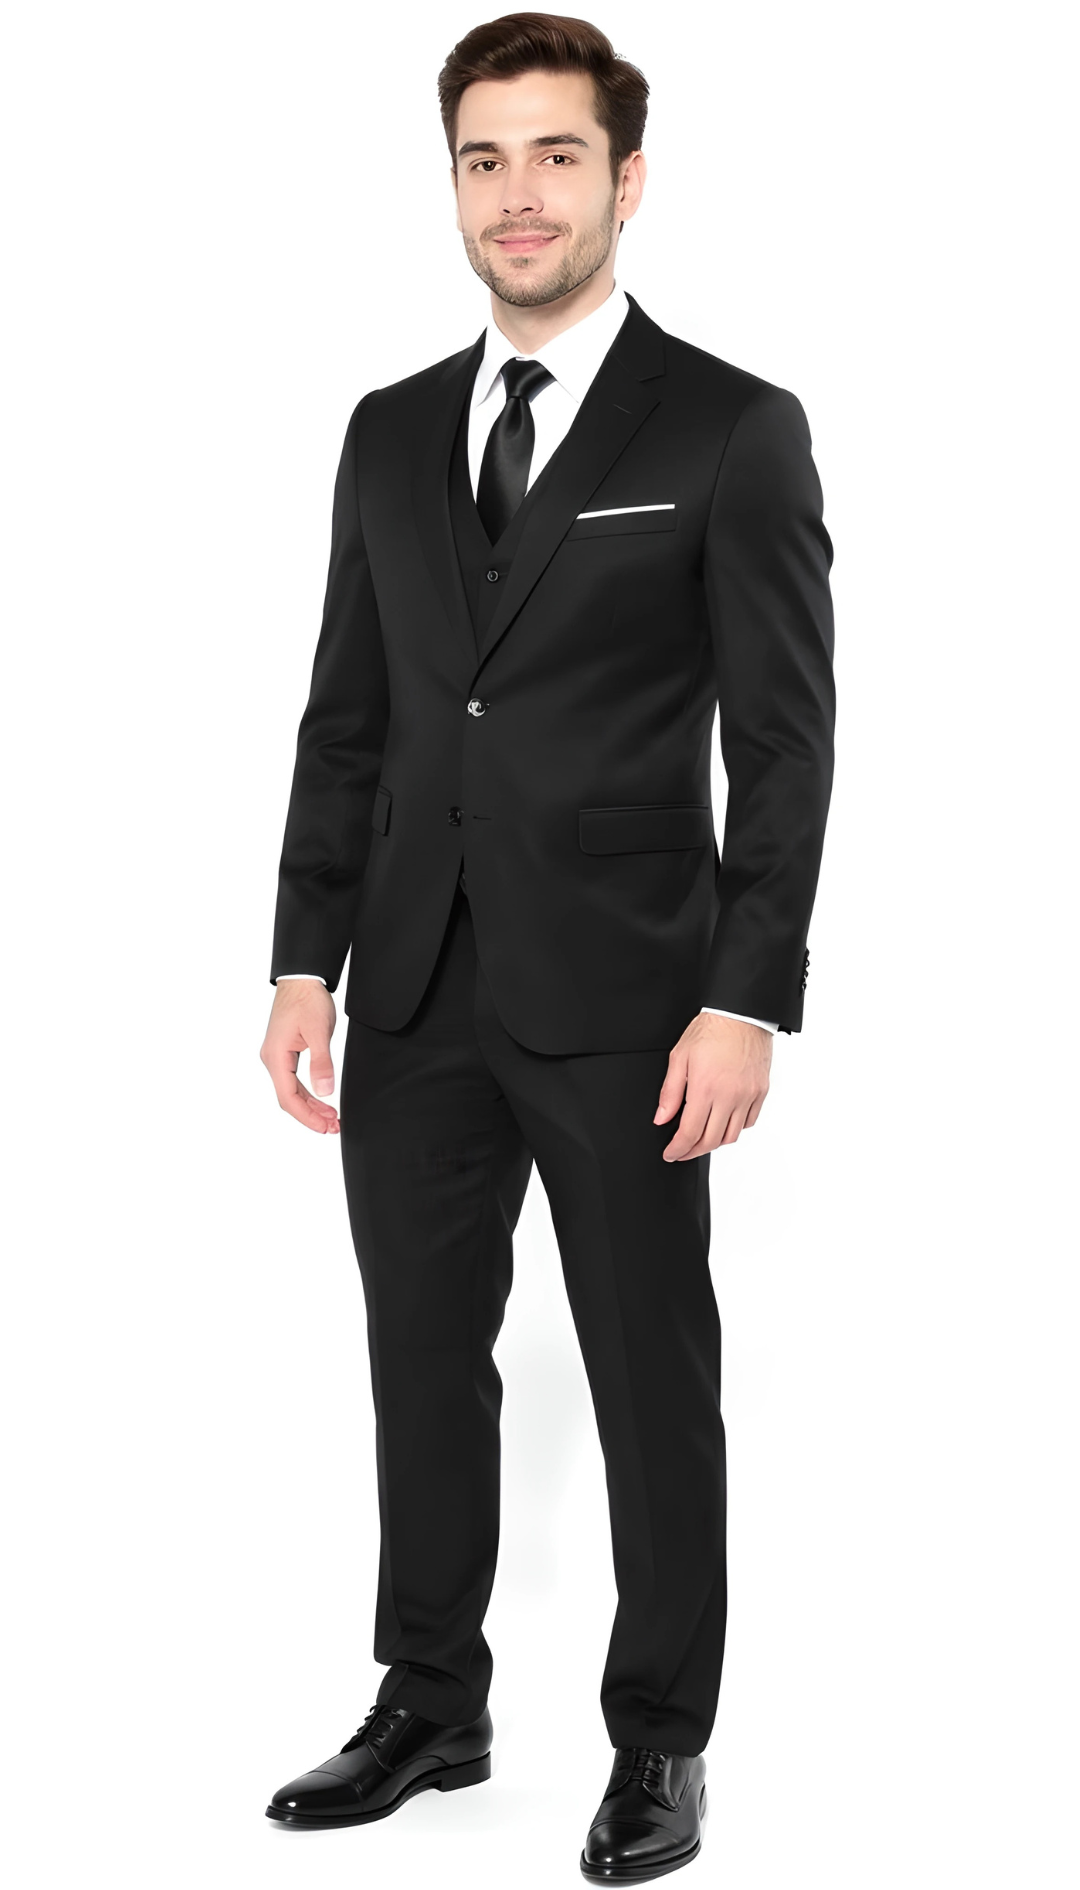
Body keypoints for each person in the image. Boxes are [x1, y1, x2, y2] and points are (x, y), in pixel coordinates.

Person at [259, 12, 835, 1880]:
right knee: (422, 1357)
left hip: (633, 996)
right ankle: (433, 1695)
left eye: (557, 156)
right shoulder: (387, 429)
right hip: (412, 983)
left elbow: (788, 739)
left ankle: (661, 1737)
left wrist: (747, 992)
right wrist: (302, 959)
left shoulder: (732, 426)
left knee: (651, 1371)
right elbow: (350, 714)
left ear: (627, 179)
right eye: (484, 159)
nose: (518, 196)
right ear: (453, 182)